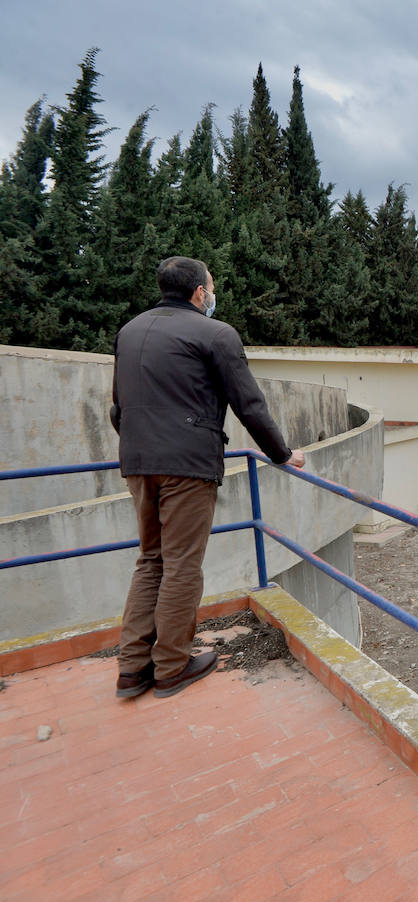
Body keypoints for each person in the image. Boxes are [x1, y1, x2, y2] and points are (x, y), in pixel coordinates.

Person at [109, 256, 306, 699]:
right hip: (187, 467)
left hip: (138, 462)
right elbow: (249, 405)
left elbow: (117, 408)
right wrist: (282, 454)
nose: (212, 295)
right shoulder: (217, 334)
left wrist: (145, 449)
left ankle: (131, 668)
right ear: (200, 292)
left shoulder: (130, 331)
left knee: (151, 560)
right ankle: (172, 666)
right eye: (211, 287)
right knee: (181, 565)